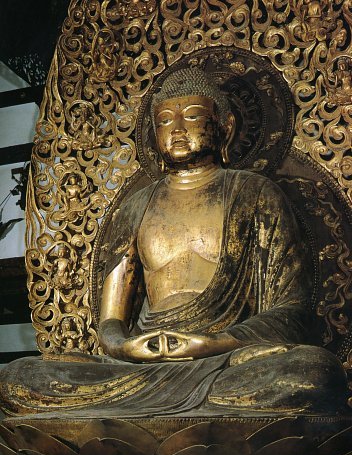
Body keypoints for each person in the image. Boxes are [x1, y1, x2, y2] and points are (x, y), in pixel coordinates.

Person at [0, 68, 348, 416]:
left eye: (193, 116)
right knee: (19, 378)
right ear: (153, 134)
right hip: (142, 368)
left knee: (312, 374)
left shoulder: (255, 193)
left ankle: (141, 420)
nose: (178, 129)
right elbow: (110, 324)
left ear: (224, 126)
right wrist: (129, 349)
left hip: (226, 361)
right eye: (165, 120)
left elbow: (290, 311)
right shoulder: (136, 207)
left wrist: (210, 343)